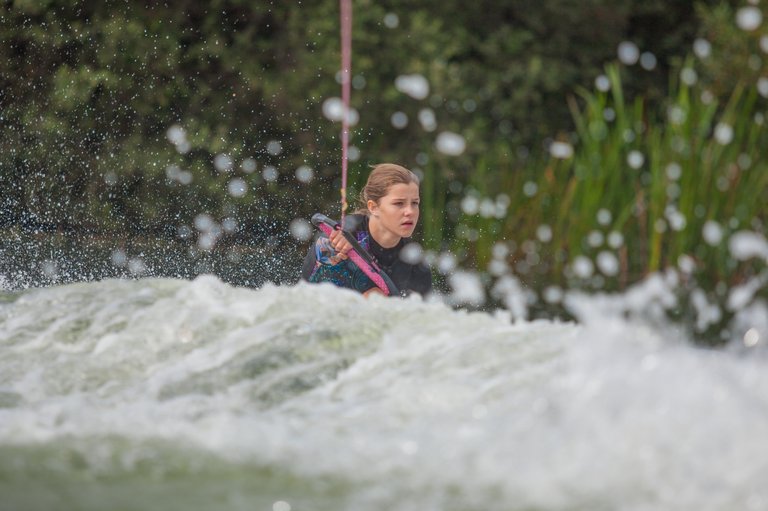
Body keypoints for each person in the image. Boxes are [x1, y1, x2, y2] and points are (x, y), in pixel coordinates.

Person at [301, 163, 432, 297]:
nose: (410, 212)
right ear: (373, 207)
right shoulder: (338, 239)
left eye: (415, 203)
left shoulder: (417, 267)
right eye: (399, 203)